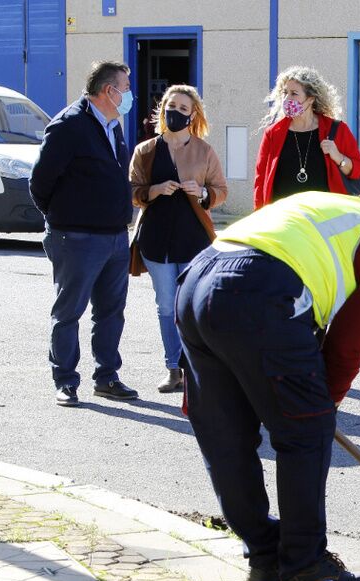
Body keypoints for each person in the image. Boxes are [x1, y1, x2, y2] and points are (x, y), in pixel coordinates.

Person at [176, 190, 360, 581]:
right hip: (257, 288)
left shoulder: (336, 211)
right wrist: (323, 406)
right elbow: (347, 343)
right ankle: (305, 566)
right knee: (307, 432)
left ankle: (265, 555)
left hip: (196, 281)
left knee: (226, 433)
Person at [30, 60, 140, 407]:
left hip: (114, 236)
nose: (129, 94)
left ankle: (106, 377)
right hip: (76, 237)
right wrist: (62, 219)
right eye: (125, 87)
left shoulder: (113, 125)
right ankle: (65, 379)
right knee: (69, 312)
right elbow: (39, 182)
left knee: (110, 312)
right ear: (109, 91)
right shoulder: (69, 125)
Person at [130, 84, 229, 393]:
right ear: (163, 110)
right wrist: (154, 191)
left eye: (183, 109)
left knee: (191, 306)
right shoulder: (146, 150)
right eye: (171, 106)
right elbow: (133, 191)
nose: (176, 112)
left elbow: (221, 191)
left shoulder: (204, 151)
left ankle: (196, 368)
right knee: (165, 305)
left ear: (193, 115)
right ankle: (173, 369)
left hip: (193, 239)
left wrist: (201, 193)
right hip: (155, 241)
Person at [253, 66, 360, 209]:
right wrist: (259, 215)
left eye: (294, 93)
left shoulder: (336, 130)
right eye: (284, 93)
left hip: (325, 219)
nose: (287, 99)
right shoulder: (273, 133)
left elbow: (359, 169)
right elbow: (260, 180)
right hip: (284, 219)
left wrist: (338, 157)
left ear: (311, 99)